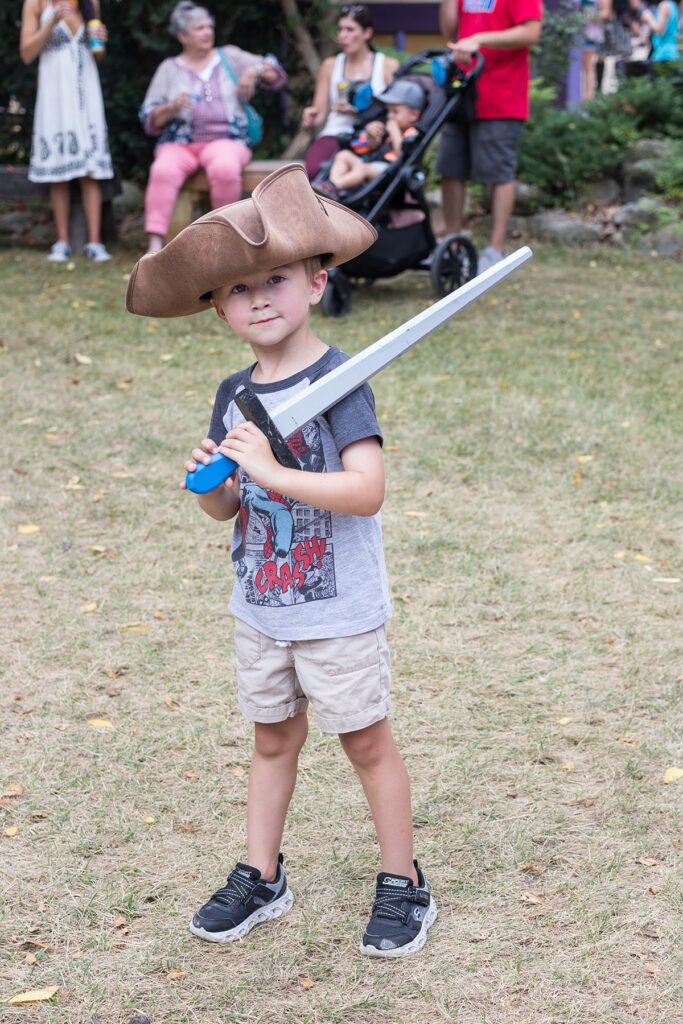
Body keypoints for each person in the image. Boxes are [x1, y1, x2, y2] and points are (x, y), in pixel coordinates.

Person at [126, 163, 437, 958]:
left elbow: (365, 491)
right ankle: (262, 875)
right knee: (271, 740)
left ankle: (404, 882)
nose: (258, 298)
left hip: (336, 610)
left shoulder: (342, 383)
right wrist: (212, 482)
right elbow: (227, 510)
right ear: (218, 306)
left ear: (316, 280)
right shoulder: (235, 393)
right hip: (261, 607)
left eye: (275, 279)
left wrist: (269, 467)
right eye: (237, 289)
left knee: (366, 741)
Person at [139, 1, 286, 255]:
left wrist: (255, 69)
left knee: (225, 167)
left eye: (209, 26)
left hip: (226, 139)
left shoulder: (229, 56)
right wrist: (171, 107)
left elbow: (277, 76)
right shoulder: (168, 69)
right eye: (199, 28)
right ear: (182, 35)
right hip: (180, 143)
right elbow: (149, 119)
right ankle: (154, 246)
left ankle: (225, 239)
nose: (208, 32)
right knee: (162, 169)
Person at [436, 0, 542, 275]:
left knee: (498, 174)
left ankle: (495, 251)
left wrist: (480, 39)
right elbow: (450, 31)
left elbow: (531, 33)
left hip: (502, 96)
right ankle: (453, 246)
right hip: (461, 92)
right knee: (450, 168)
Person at [19, 0, 113, 263]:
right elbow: (27, 53)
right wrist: (51, 22)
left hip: (86, 89)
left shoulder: (90, 3)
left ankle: (95, 243)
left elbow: (98, 54)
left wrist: (100, 42)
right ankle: (61, 242)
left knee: (90, 168)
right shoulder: (36, 3)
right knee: (59, 169)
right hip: (55, 90)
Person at [302, 4, 399, 181]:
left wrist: (360, 112)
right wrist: (311, 117)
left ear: (367, 33)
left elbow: (396, 111)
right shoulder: (330, 66)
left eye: (350, 30)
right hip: (337, 131)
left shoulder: (387, 66)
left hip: (372, 134)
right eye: (340, 29)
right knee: (313, 170)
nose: (342, 36)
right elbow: (320, 114)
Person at [315, 80, 425, 196]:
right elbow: (374, 148)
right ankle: (331, 186)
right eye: (388, 111)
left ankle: (335, 186)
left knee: (363, 169)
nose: (389, 116)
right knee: (343, 155)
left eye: (395, 112)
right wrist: (371, 135)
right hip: (373, 164)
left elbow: (402, 154)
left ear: (414, 115)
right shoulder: (388, 129)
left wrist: (394, 131)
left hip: (389, 171)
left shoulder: (412, 133)